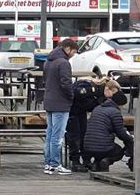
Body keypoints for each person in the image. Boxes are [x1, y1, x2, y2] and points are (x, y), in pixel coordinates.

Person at [42, 38, 78, 175]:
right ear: (68, 48)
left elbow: (45, 80)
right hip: (60, 103)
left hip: (49, 101)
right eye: (73, 52)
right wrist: (71, 97)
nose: (73, 55)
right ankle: (55, 164)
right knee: (58, 136)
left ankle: (48, 163)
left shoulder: (48, 61)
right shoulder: (64, 63)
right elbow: (66, 84)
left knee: (50, 134)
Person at [83, 80, 134, 172]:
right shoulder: (115, 112)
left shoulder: (97, 108)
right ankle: (107, 161)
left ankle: (96, 164)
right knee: (118, 151)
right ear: (119, 104)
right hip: (103, 147)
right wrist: (130, 139)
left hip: (87, 146)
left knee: (101, 147)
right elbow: (121, 132)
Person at [65, 75, 105, 172]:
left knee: (83, 135)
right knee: (75, 136)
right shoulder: (88, 89)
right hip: (73, 112)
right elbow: (89, 105)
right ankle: (76, 161)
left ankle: (84, 160)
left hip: (78, 112)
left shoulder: (90, 88)